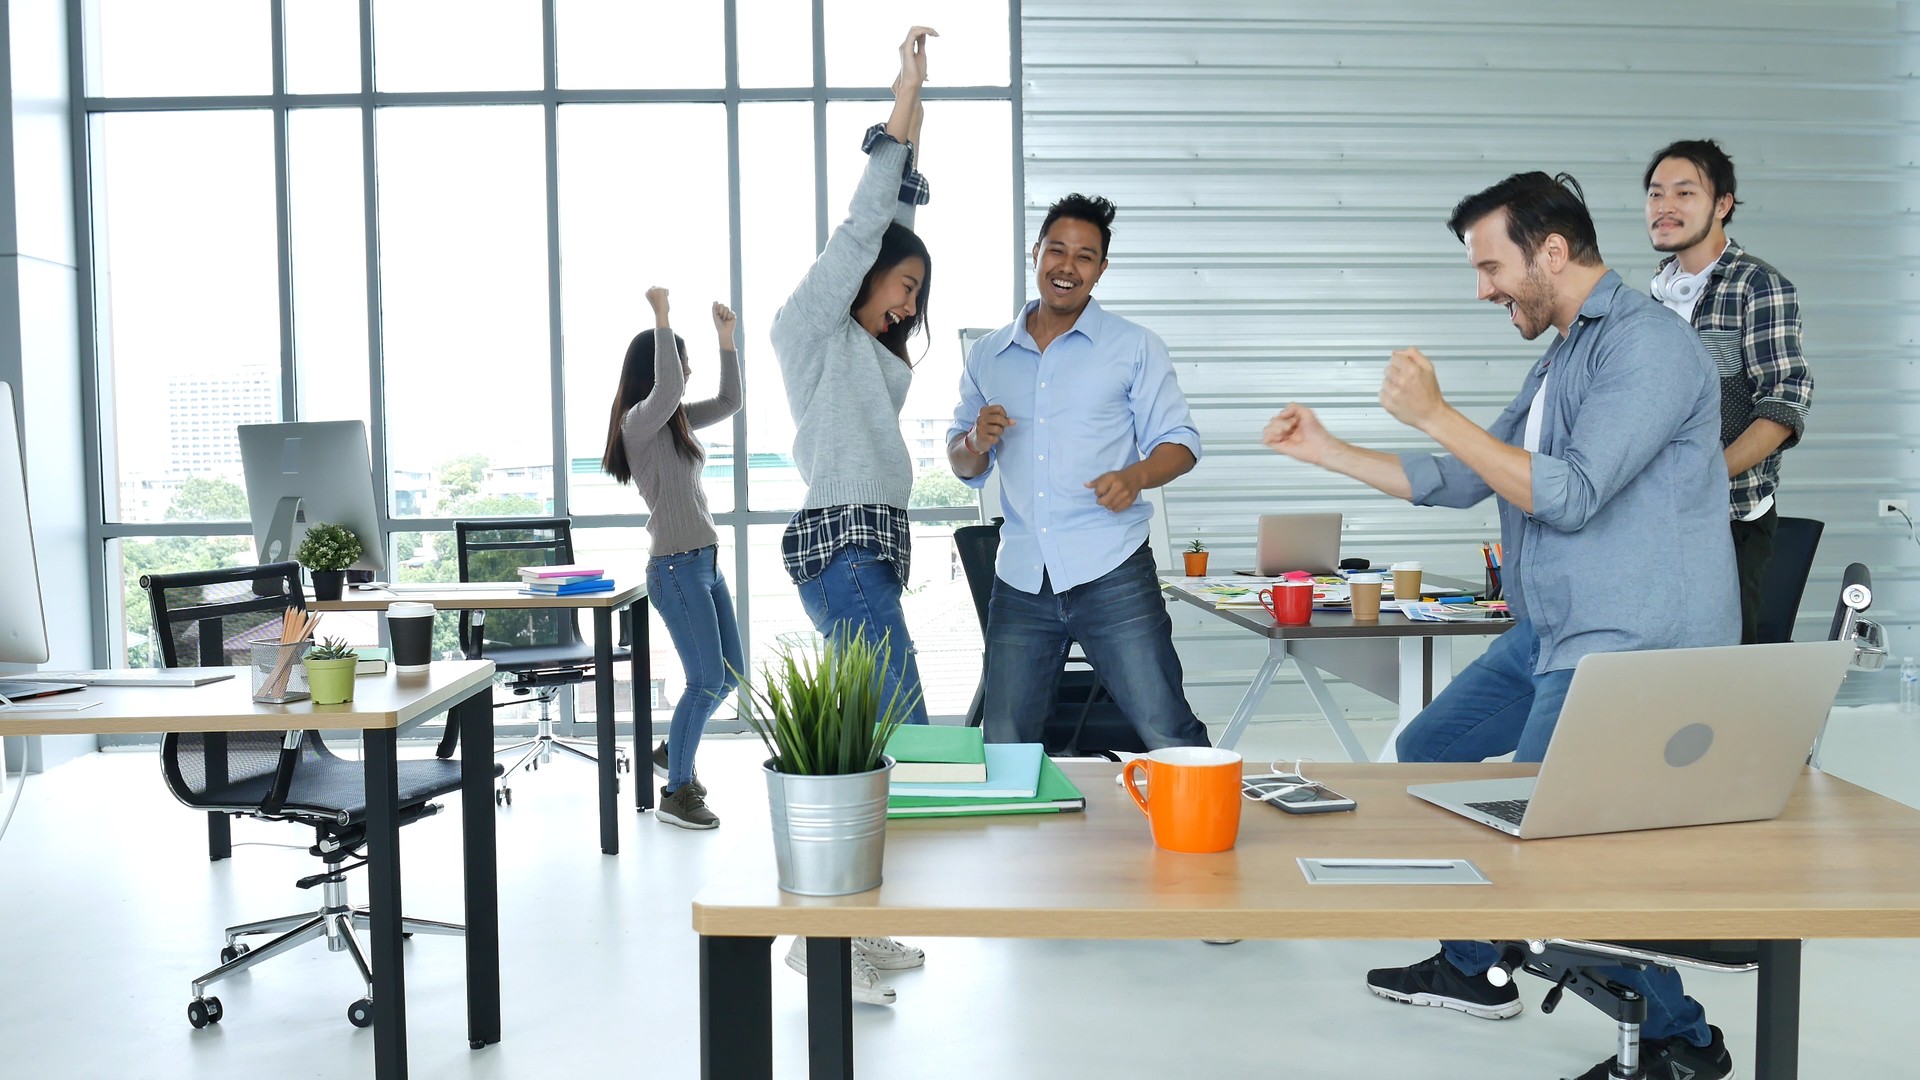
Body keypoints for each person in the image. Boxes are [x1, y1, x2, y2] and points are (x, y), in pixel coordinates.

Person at [1262, 172, 1739, 1080]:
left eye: (1490, 267)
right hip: (1552, 630)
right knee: (1431, 747)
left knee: (1554, 847)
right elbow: (1470, 477)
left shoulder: (1650, 349)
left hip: (1627, 644)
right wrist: (1326, 449)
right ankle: (1475, 964)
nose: (1481, 289)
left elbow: (1569, 494)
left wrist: (1436, 413)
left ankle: (1678, 1042)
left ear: (1551, 252)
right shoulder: (1561, 357)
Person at [769, 26, 938, 1005]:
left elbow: (902, 214)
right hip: (841, 552)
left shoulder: (867, 353)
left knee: (875, 745)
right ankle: (830, 935)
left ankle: (850, 932)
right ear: (860, 274)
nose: (910, 301)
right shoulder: (811, 330)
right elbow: (875, 213)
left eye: (918, 290)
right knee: (902, 731)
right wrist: (905, 93)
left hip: (862, 556)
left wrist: (921, 124)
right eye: (902, 283)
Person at [948, 192, 1209, 750]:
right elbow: (962, 463)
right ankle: (1019, 839)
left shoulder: (1134, 347)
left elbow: (1181, 443)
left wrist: (1136, 476)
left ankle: (1206, 831)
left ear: (1101, 270)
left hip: (1111, 568)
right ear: (1036, 253)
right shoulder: (989, 355)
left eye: (1084, 256)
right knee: (1005, 742)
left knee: (1166, 725)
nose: (1067, 267)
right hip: (1019, 577)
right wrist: (974, 440)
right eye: (1057, 251)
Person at [1645, 138, 1813, 643]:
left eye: (1684, 193)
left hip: (1730, 521)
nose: (1665, 207)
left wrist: (1705, 475)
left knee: (1719, 680)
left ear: (1723, 204)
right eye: (1655, 194)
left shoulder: (1758, 286)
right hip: (1652, 521)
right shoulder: (1650, 300)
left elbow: (1783, 406)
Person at [600, 287, 742, 830]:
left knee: (729, 675)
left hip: (705, 563)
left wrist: (726, 342)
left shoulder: (676, 421)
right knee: (704, 679)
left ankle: (673, 749)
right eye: (683, 358)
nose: (688, 368)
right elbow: (669, 386)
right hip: (677, 569)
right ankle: (676, 792)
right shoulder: (639, 421)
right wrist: (663, 318)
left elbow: (730, 402)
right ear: (657, 366)